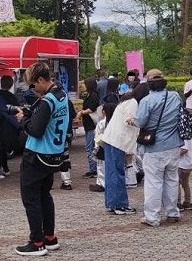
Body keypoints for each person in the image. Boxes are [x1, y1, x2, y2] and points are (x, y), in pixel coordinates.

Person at [14, 62, 70, 256]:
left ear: (40, 80)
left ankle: (36, 242)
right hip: (53, 154)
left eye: (33, 84)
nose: (33, 89)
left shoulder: (47, 101)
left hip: (36, 155)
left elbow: (36, 131)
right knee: (45, 196)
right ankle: (49, 237)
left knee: (31, 199)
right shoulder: (61, 96)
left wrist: (24, 120)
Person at [131, 69, 183, 228]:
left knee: (154, 182)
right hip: (174, 145)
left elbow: (140, 122)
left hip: (154, 147)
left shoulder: (147, 101)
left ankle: (152, 217)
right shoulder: (175, 96)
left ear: (149, 84)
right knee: (172, 180)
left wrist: (131, 120)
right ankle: (172, 212)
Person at [102, 83, 148, 216]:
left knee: (111, 172)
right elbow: (130, 120)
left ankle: (112, 203)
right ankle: (120, 205)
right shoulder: (133, 103)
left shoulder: (126, 100)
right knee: (118, 172)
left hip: (110, 139)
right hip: (118, 141)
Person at [78, 78, 101, 179]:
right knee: (90, 147)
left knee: (90, 147)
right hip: (88, 124)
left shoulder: (93, 96)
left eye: (84, 84)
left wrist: (81, 112)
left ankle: (93, 169)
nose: (82, 86)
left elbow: (92, 108)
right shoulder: (90, 95)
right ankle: (93, 169)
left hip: (92, 124)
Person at [177, 137, 192, 211]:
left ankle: (178, 203)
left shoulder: (184, 137)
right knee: (185, 184)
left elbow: (185, 149)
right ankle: (187, 201)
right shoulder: (189, 136)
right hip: (189, 163)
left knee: (177, 183)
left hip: (182, 164)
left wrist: (175, 155)